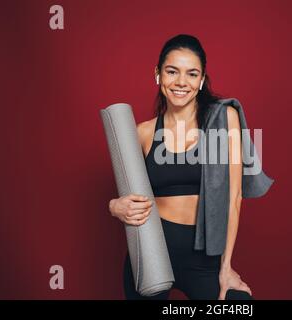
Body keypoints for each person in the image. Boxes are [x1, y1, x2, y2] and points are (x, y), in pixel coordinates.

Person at [108, 34, 253, 300]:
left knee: (239, 304)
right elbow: (130, 193)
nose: (181, 82)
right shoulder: (142, 133)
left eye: (192, 74)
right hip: (151, 251)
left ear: (201, 80)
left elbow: (234, 196)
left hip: (204, 259)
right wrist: (114, 206)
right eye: (172, 71)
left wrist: (226, 266)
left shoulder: (224, 119)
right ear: (158, 74)